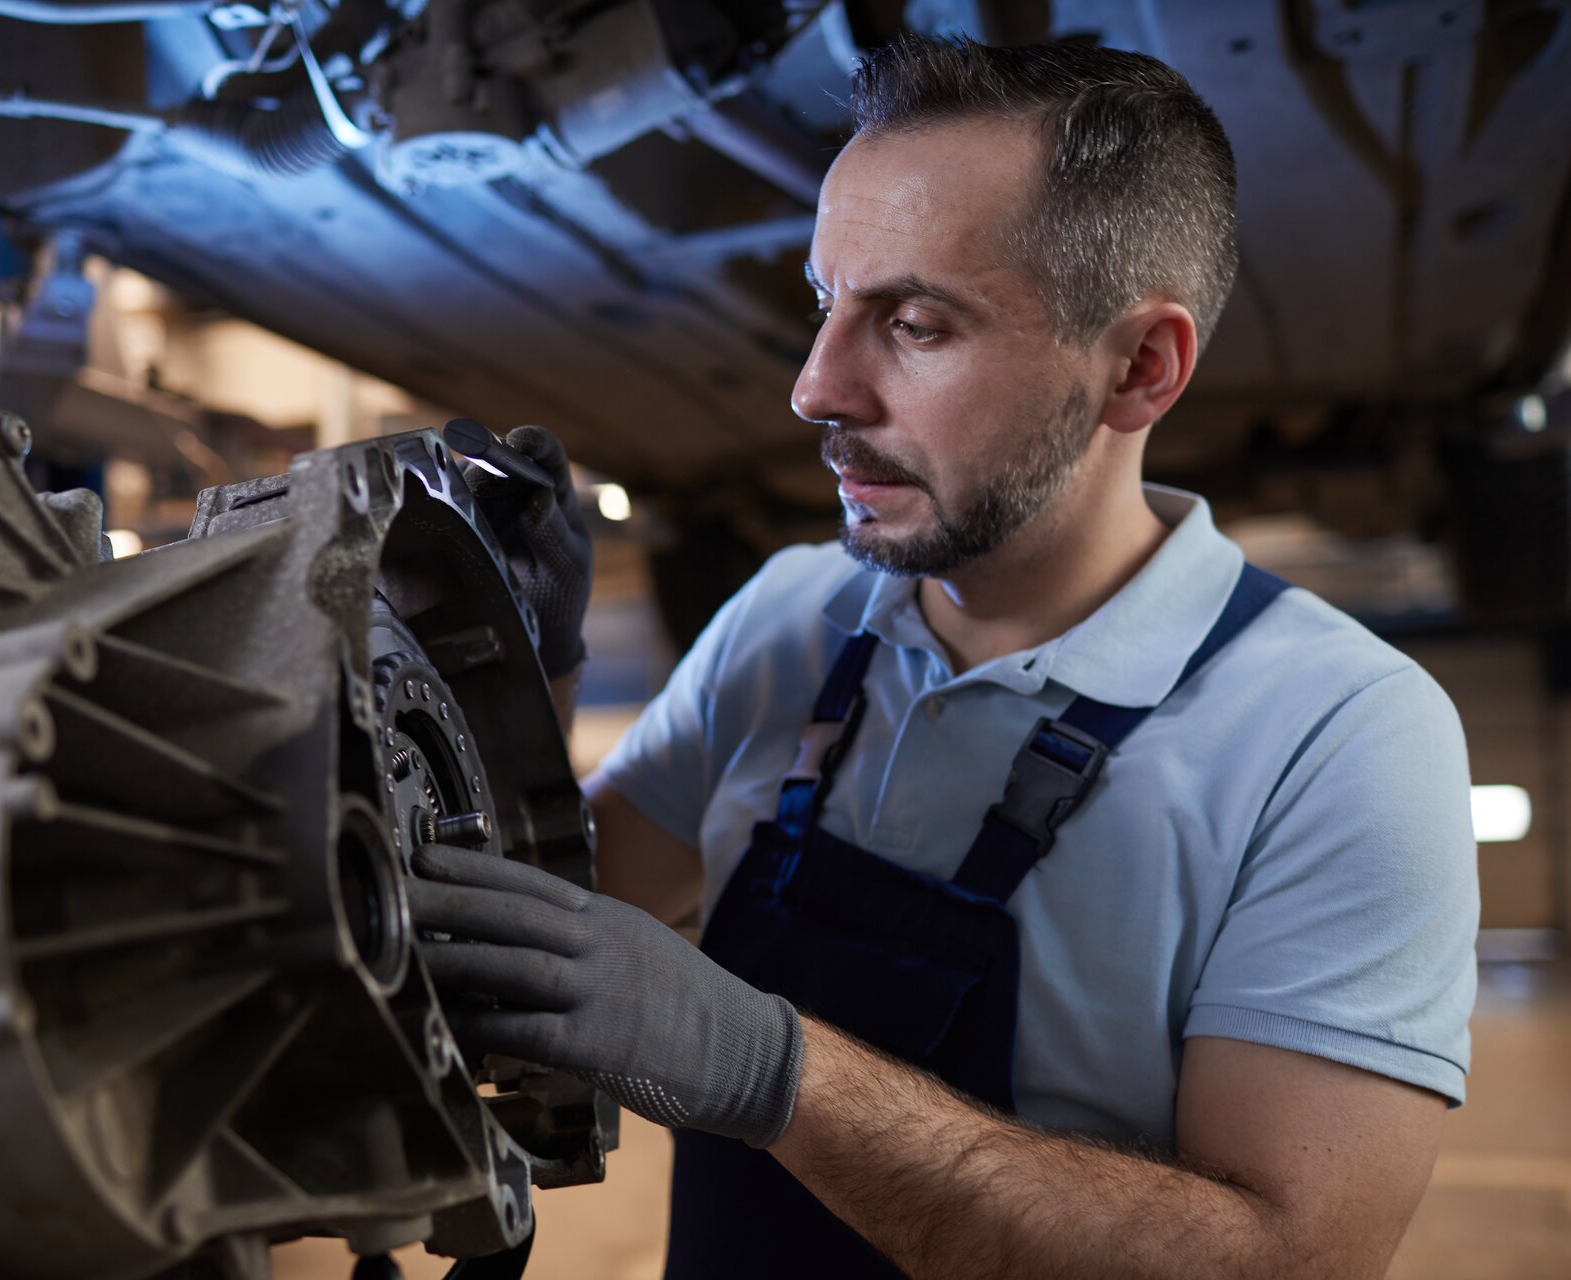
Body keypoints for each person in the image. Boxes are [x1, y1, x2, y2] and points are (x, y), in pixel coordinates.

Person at [434, 35, 1478, 1280]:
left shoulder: (1340, 735)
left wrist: (774, 1072)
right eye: (827, 303)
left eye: (917, 323)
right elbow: (551, 925)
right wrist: (516, 659)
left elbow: (1282, 1257)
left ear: (1139, 367)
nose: (817, 389)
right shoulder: (793, 613)